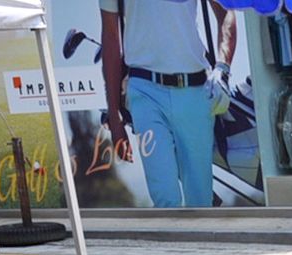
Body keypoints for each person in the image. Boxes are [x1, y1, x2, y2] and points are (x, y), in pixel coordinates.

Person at [100, 0, 237, 209]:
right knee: (164, 196)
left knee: (201, 200)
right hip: (144, 91)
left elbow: (226, 12)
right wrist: (114, 114)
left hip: (195, 90)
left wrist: (223, 68)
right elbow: (110, 38)